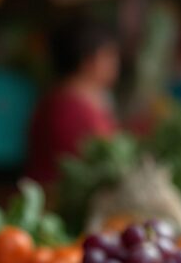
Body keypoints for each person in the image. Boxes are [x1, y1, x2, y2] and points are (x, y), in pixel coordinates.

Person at [26, 15, 119, 183]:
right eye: (109, 55)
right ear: (89, 60)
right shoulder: (70, 110)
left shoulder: (66, 99)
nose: (115, 63)